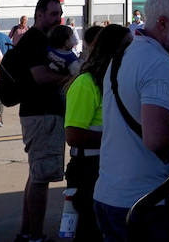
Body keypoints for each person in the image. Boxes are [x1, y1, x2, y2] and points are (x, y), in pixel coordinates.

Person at [94, 0, 169, 242]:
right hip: (145, 202)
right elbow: (156, 139)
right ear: (163, 22)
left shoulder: (123, 55)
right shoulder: (157, 63)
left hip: (109, 194)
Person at [65, 24, 131, 242]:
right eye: (128, 46)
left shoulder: (122, 79)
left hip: (113, 164)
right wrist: (120, 138)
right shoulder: (87, 82)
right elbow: (74, 135)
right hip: (89, 168)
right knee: (89, 230)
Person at [12, 0, 69, 242]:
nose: (58, 18)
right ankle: (35, 235)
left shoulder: (41, 40)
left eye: (59, 13)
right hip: (41, 115)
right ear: (39, 14)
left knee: (36, 175)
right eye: (54, 14)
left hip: (41, 114)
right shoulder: (35, 40)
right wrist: (69, 79)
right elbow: (40, 76)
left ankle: (27, 231)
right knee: (41, 178)